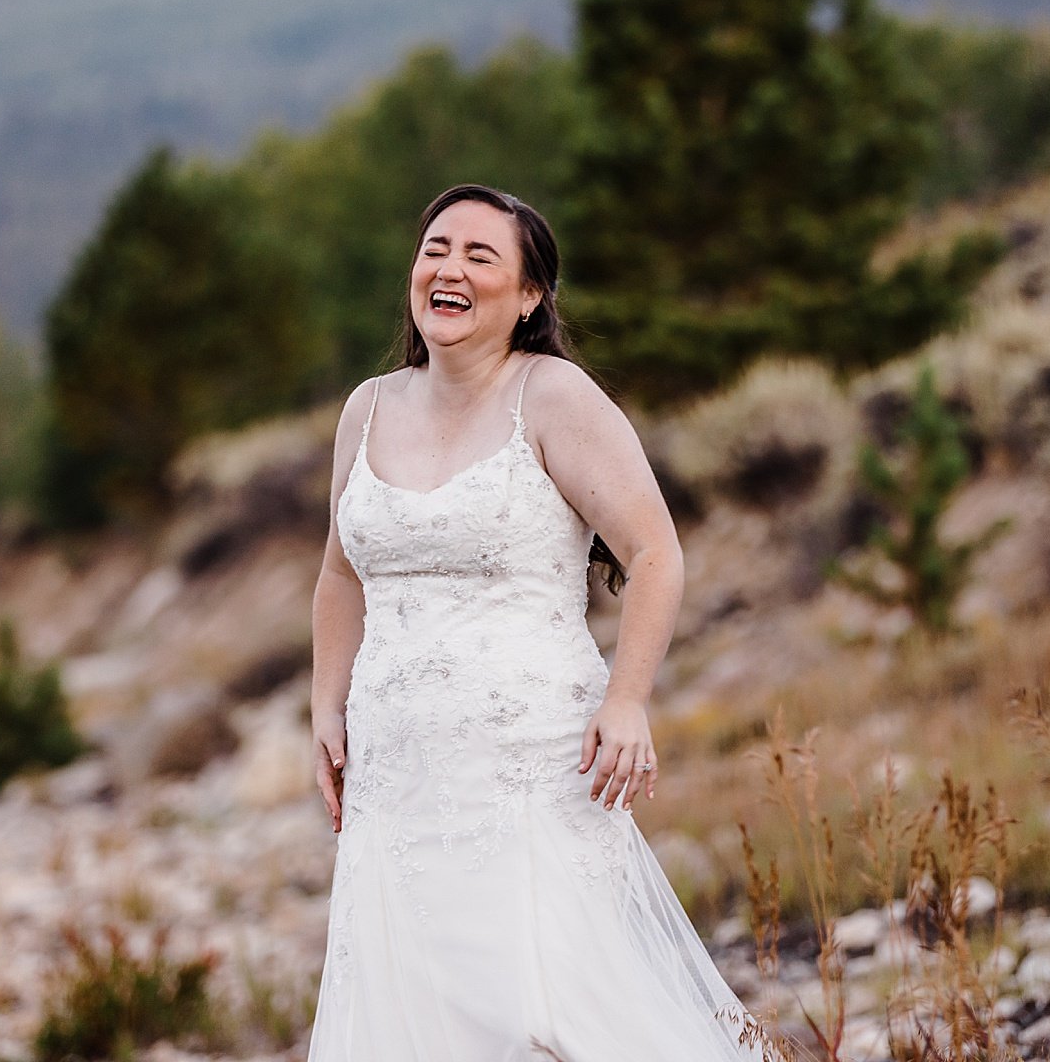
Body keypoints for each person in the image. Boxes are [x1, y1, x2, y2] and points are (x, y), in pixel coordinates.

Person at [304, 184, 773, 1060]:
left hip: (531, 764)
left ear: (528, 298)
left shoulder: (553, 396)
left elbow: (657, 553)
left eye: (482, 257)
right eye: (436, 248)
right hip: (393, 774)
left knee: (550, 1002)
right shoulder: (366, 408)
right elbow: (339, 574)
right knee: (418, 1004)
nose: (449, 269)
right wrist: (327, 708)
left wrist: (628, 701)